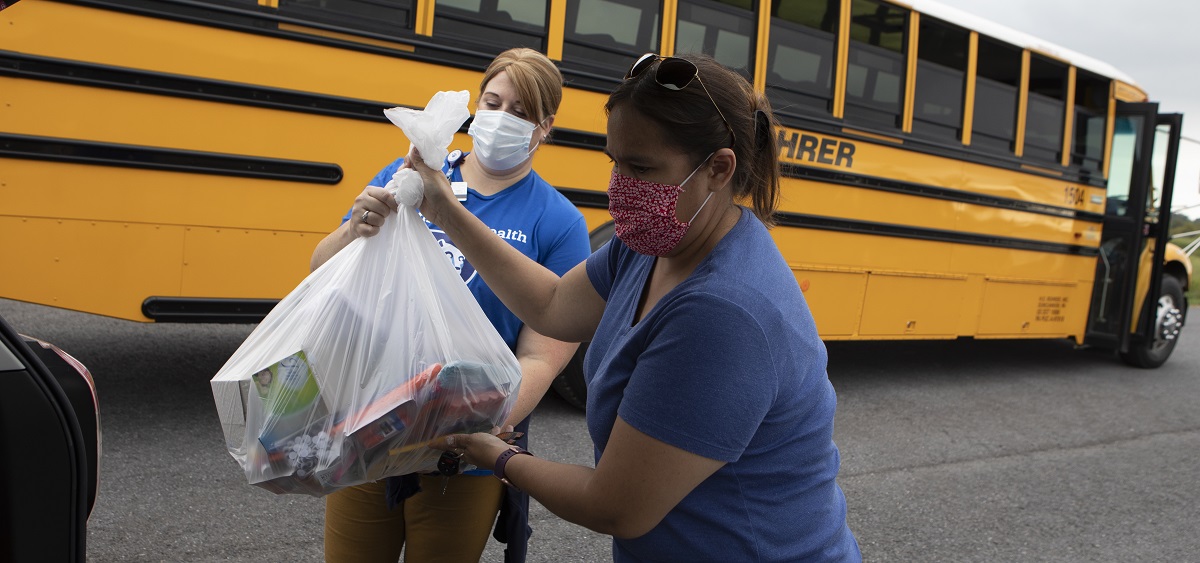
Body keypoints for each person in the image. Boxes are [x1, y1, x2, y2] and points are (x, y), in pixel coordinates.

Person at [408, 52, 861, 561]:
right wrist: (444, 207)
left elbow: (616, 506)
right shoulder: (651, 244)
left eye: (641, 167)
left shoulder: (722, 311)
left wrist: (497, 454)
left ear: (718, 168)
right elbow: (554, 305)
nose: (619, 186)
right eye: (615, 162)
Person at [310, 47, 592, 563]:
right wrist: (355, 229)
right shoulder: (411, 174)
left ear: (545, 127)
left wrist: (477, 425)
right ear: (475, 104)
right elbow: (322, 268)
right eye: (493, 101)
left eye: (521, 112)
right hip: (369, 426)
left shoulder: (559, 223)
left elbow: (542, 357)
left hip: (461, 457)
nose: (501, 118)